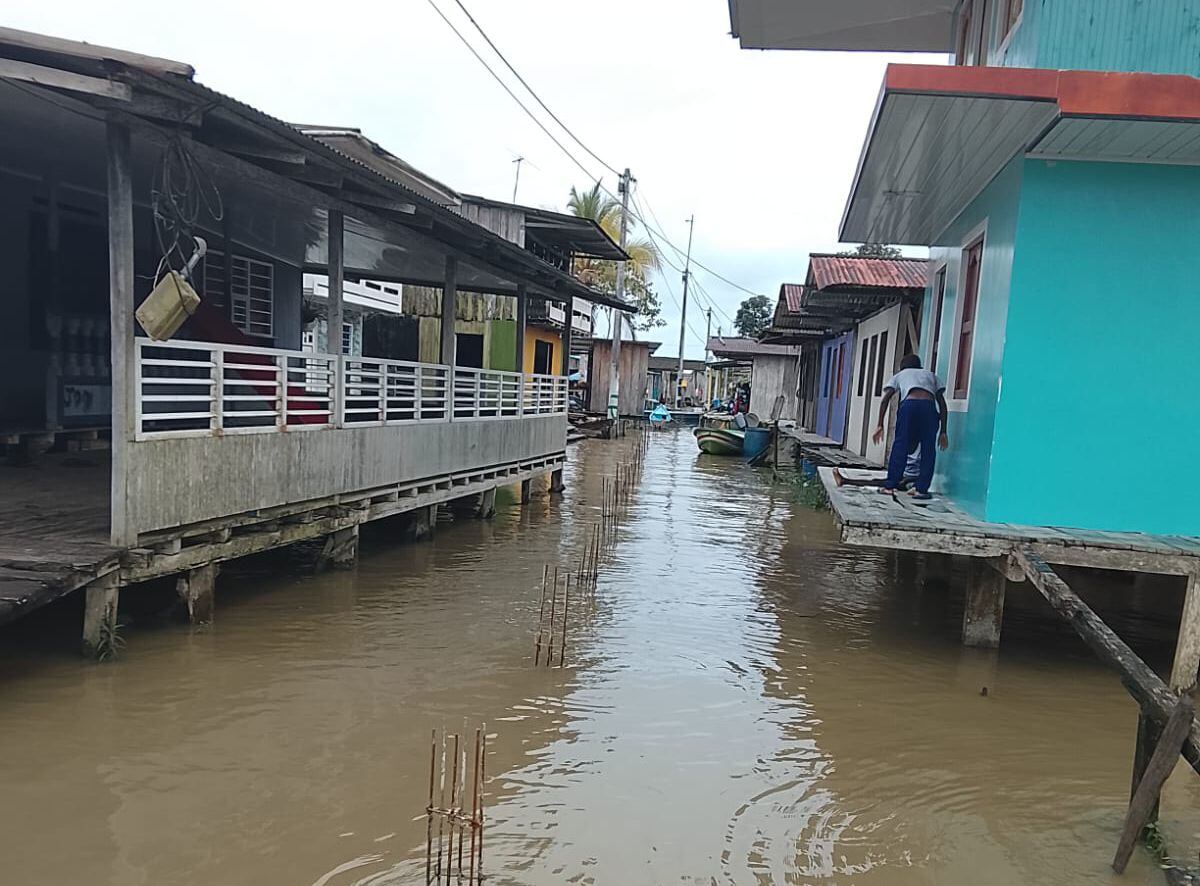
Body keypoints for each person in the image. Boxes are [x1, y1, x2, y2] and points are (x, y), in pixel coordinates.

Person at [871, 354, 949, 500]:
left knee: (900, 446)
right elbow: (942, 404)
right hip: (929, 408)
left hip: (909, 407)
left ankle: (890, 486)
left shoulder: (901, 374)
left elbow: (886, 399)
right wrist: (943, 431)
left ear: (903, 367)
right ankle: (921, 490)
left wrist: (880, 424)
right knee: (928, 449)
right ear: (919, 366)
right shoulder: (932, 375)